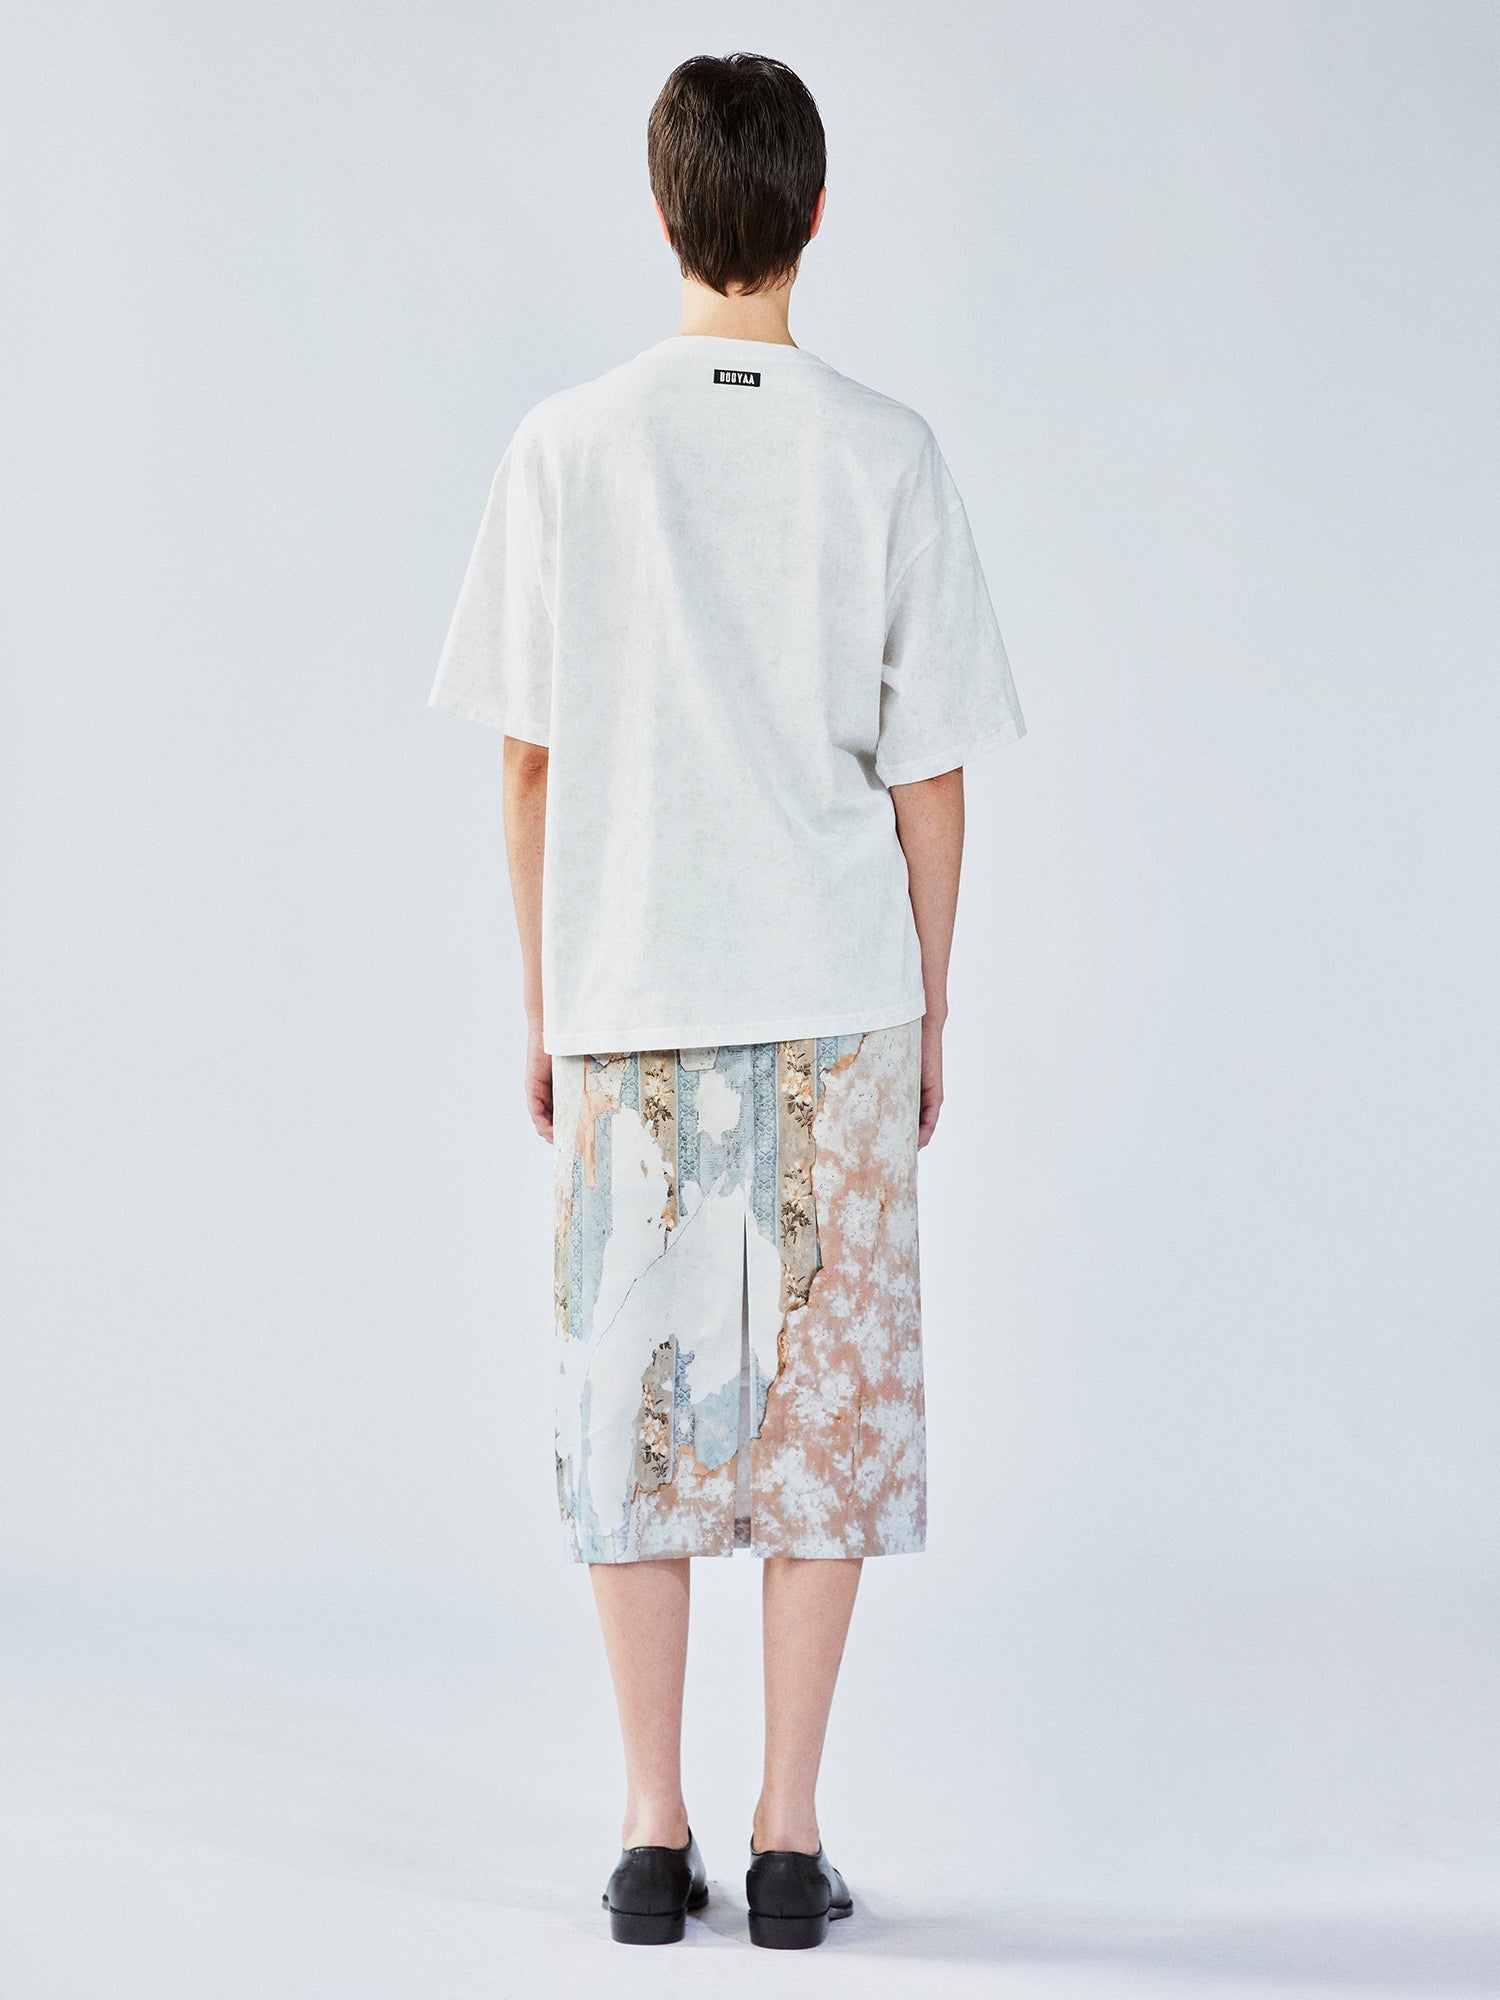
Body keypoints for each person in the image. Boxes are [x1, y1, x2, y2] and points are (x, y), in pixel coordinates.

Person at [428, 50, 1026, 1951]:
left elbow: (530, 763)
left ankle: (644, 1832)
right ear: (817, 215)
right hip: (837, 989)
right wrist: (933, 1004)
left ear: (663, 210)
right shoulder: (887, 451)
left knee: (639, 1419)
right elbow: (930, 775)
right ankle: (785, 1840)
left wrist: (545, 1001)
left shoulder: (567, 446)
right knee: (819, 1427)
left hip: (633, 992)